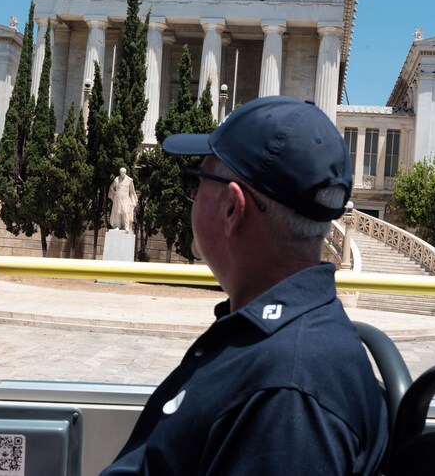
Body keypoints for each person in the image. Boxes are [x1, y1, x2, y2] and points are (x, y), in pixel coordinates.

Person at [101, 96, 388, 475]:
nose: (192, 197)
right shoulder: (264, 337)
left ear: (232, 209)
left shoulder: (288, 399)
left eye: (199, 181)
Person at [109, 167, 138, 232]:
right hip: (118, 198)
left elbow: (132, 190)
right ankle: (118, 226)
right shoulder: (116, 179)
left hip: (125, 199)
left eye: (124, 172)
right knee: (118, 212)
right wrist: (114, 192)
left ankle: (126, 227)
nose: (123, 173)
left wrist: (134, 199)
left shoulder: (129, 180)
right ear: (120, 172)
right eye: (122, 172)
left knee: (126, 212)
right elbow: (111, 187)